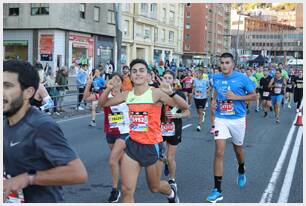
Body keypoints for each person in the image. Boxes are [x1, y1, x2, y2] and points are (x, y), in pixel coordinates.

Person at [99, 59, 188, 203]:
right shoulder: (127, 95)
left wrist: (171, 93)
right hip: (133, 145)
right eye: (134, 71)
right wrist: (108, 89)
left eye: (141, 70)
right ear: (130, 76)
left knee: (154, 187)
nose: (138, 74)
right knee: (127, 191)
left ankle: (171, 193)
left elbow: (184, 107)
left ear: (148, 75)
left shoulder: (156, 93)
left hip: (153, 146)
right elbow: (103, 104)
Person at [3, 60, 88, 203]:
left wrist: (28, 178)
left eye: (7, 86)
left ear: (28, 92)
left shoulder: (40, 126)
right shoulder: (6, 121)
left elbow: (78, 173)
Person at [207, 53, 256, 203]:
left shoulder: (242, 78)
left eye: (227, 62)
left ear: (233, 64)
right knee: (219, 152)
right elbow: (215, 91)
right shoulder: (216, 78)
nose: (224, 65)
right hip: (221, 118)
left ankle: (241, 167)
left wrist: (236, 98)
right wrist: (214, 101)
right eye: (222, 63)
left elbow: (254, 96)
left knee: (238, 149)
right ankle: (217, 189)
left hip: (238, 119)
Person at [159, 70, 190, 192]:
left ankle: (172, 180)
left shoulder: (179, 95)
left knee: (170, 157)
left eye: (169, 78)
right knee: (161, 156)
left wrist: (177, 116)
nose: (167, 80)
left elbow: (187, 112)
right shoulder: (157, 94)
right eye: (165, 78)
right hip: (159, 129)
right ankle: (165, 162)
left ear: (173, 80)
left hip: (174, 128)